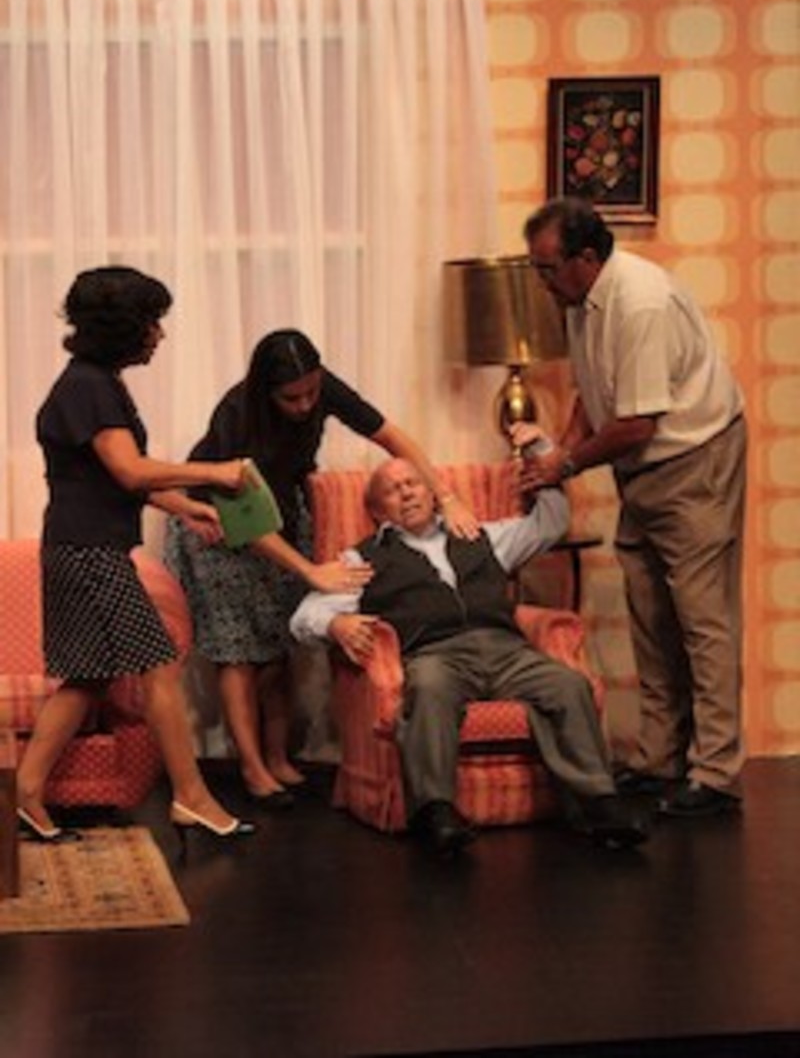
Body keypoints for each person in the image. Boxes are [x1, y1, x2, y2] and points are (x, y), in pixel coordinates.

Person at [164, 330, 478, 808]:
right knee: (238, 651)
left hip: (280, 516)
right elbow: (241, 517)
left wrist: (446, 495)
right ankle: (251, 767)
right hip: (218, 524)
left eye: (312, 392)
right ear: (267, 390)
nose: (305, 405)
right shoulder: (237, 413)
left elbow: (391, 436)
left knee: (277, 645)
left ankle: (277, 756)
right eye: (291, 398)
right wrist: (309, 571)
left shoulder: (323, 388)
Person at [515, 196, 747, 819]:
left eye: (546, 268)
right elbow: (595, 395)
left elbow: (637, 423)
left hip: (692, 460)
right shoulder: (581, 301)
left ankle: (716, 770)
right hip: (640, 470)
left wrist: (566, 465)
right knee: (649, 609)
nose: (541, 281)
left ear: (586, 257)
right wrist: (557, 455)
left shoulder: (640, 302)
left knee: (702, 617)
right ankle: (659, 757)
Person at [290, 456, 649, 855]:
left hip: (505, 649)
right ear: (377, 510)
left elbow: (551, 522)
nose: (406, 492)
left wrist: (541, 455)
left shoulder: (481, 534)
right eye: (392, 489)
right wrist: (335, 624)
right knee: (428, 689)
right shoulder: (364, 559)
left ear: (431, 492)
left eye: (413, 483)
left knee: (568, 684)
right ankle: (436, 811)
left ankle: (599, 804)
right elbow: (304, 616)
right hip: (435, 654)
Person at [16, 265, 256, 845]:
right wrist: (213, 474)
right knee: (158, 665)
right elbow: (129, 470)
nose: (160, 334)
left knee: (88, 677)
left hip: (80, 546)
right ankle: (191, 795)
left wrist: (187, 508)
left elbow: (113, 478)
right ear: (123, 329)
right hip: (89, 552)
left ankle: (24, 793)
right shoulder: (89, 388)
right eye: (152, 322)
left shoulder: (95, 382)